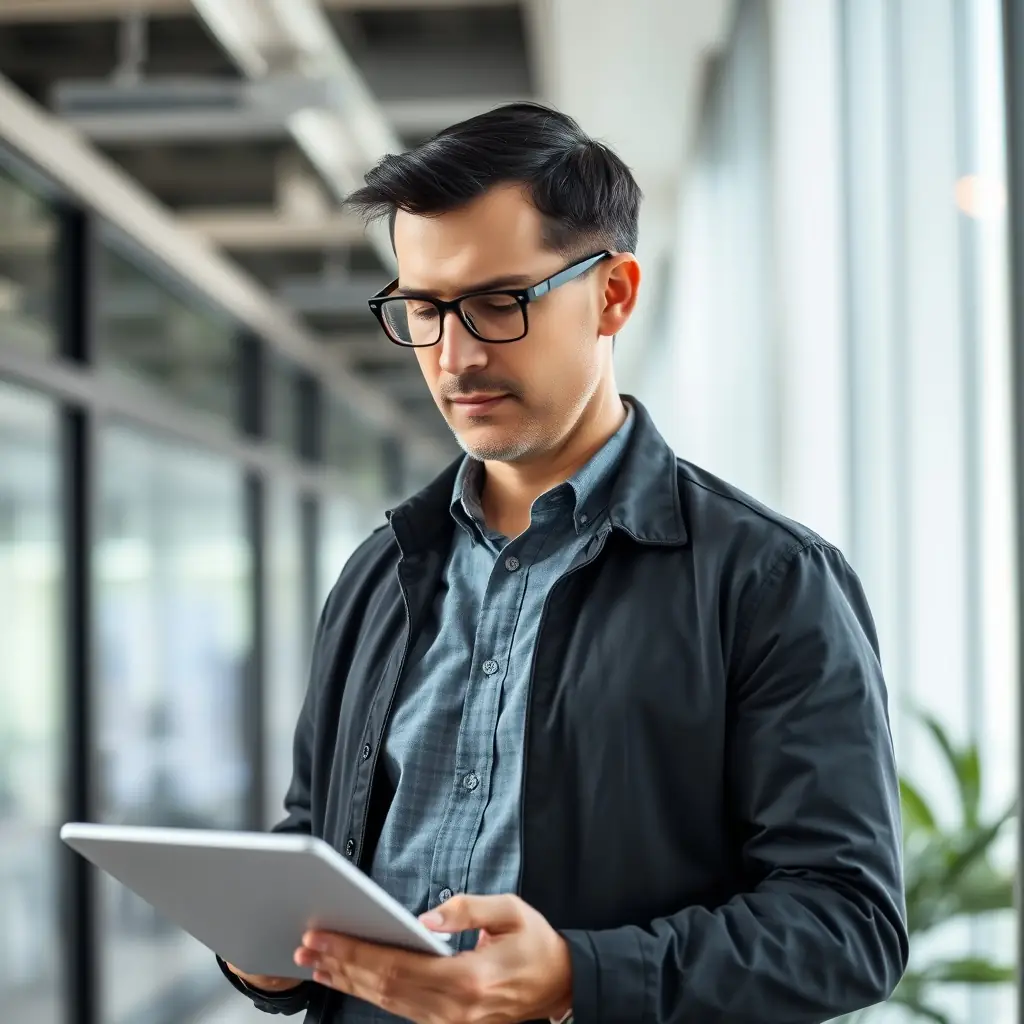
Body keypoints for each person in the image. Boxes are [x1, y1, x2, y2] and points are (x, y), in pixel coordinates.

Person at [217, 102, 908, 1023]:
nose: (454, 357)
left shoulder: (769, 581)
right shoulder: (380, 572)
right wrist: (266, 954)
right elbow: (319, 836)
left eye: (498, 304)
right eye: (422, 310)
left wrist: (578, 977)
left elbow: (847, 924)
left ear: (613, 294)